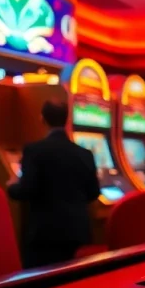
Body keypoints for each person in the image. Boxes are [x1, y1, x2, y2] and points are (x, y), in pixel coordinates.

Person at [7, 100, 101, 268]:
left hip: (45, 236)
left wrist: (11, 185)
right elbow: (94, 193)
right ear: (67, 119)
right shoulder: (85, 154)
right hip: (79, 233)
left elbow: (26, 190)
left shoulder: (34, 150)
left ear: (42, 119)